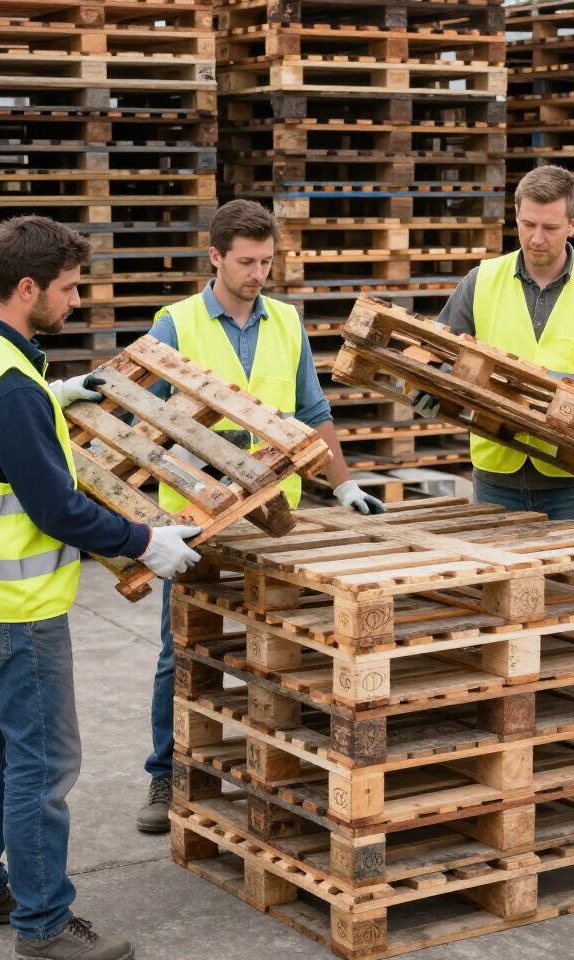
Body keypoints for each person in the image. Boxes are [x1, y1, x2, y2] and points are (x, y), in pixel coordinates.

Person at [0, 216, 202, 960]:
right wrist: (148, 541)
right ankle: (44, 925)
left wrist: (57, 393)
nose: (76, 302)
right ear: (27, 288)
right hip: (20, 607)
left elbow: (0, 423)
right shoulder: (9, 387)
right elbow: (58, 508)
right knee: (43, 764)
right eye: (69, 289)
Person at [135, 199, 385, 833]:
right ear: (215, 256)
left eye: (267, 261)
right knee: (183, 651)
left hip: (275, 516)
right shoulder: (177, 324)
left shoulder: (286, 322)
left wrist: (344, 484)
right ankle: (166, 774)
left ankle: (274, 773)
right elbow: (140, 424)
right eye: (246, 262)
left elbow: (311, 407)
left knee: (281, 647)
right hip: (198, 517)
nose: (258, 274)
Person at [413, 165, 574, 528]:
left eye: (551, 227)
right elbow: (436, 356)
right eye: (528, 224)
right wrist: (427, 389)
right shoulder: (480, 281)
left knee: (573, 586)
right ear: (515, 215)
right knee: (499, 584)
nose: (537, 238)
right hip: (497, 474)